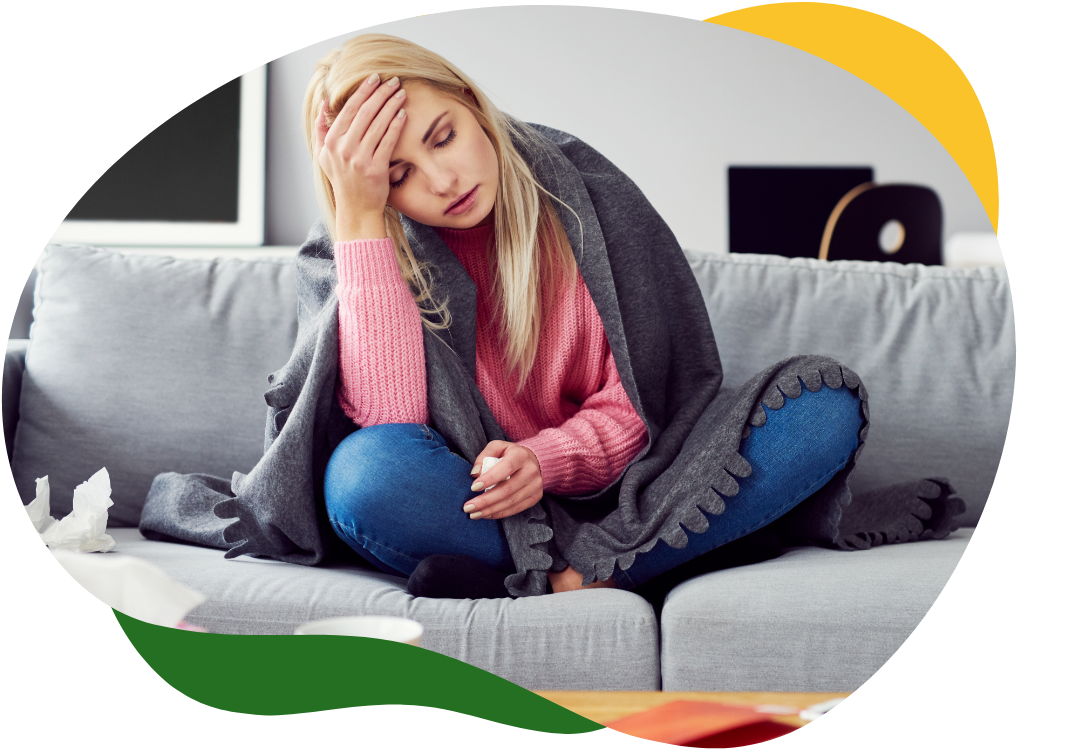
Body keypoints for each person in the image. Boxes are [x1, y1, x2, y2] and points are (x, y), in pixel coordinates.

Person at [303, 33, 869, 600]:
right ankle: (661, 557)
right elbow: (396, 423)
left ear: (470, 102)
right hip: (491, 507)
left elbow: (643, 404)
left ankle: (572, 576)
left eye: (443, 137)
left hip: (648, 484)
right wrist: (358, 218)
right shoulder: (360, 246)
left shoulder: (584, 191)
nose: (442, 181)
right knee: (363, 477)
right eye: (398, 176)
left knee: (823, 404)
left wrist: (544, 461)